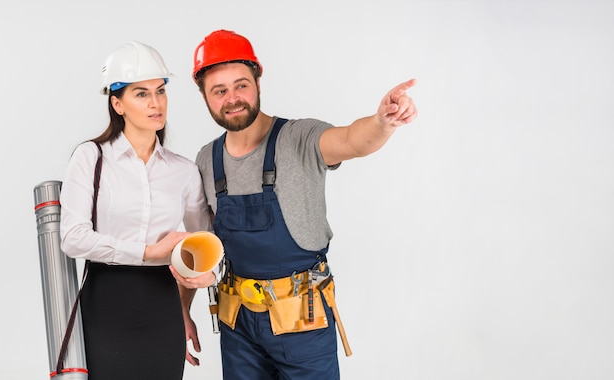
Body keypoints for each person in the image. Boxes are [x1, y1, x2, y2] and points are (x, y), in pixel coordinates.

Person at [188, 29, 418, 379]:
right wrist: (182, 311)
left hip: (302, 317)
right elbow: (197, 247)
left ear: (258, 83)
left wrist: (382, 123)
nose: (232, 98)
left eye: (241, 85)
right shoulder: (207, 160)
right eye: (219, 91)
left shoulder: (300, 138)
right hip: (237, 323)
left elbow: (352, 140)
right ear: (204, 96)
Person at [59, 40, 215, 380]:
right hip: (105, 305)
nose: (156, 102)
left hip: (163, 307)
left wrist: (206, 275)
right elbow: (72, 238)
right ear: (117, 103)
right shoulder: (91, 157)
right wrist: (147, 251)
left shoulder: (183, 171)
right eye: (141, 94)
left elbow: (205, 242)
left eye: (160, 91)